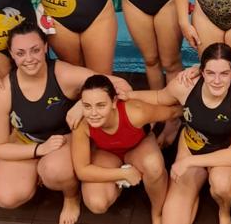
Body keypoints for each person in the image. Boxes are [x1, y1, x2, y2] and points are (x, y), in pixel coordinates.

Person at [0, 21, 130, 224]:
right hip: (28, 141)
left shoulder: (63, 75)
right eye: (20, 53)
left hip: (66, 138)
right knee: (6, 197)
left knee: (55, 170)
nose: (29, 59)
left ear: (46, 47)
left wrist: (83, 103)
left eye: (35, 50)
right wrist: (39, 150)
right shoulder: (4, 92)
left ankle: (71, 196)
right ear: (11, 54)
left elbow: (120, 86)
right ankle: (38, 172)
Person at [121, 42, 231, 224]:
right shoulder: (185, 86)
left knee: (221, 184)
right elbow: (159, 97)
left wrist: (187, 162)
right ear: (201, 72)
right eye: (210, 73)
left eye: (224, 74)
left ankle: (224, 213)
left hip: (227, 150)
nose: (217, 81)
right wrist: (130, 96)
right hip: (194, 144)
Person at [71, 75, 182, 224]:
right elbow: (82, 171)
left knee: (153, 166)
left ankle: (157, 212)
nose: (93, 113)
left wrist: (199, 111)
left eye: (101, 105)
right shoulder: (81, 124)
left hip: (138, 146)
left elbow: (172, 112)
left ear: (114, 102)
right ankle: (123, 182)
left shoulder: (136, 112)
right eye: (87, 106)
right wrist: (122, 174)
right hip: (106, 154)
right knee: (96, 204)